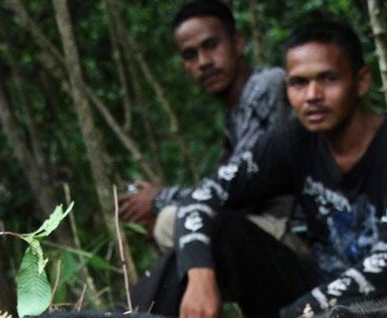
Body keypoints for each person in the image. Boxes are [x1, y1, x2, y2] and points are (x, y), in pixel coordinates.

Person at [132, 18, 387, 318]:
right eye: (298, 83)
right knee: (214, 234)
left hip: (377, 313)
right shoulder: (294, 140)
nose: (312, 96)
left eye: (328, 79)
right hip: (308, 291)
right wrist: (199, 275)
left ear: (360, 81)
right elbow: (203, 196)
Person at [118, 0, 292, 251]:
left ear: (238, 42)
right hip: (265, 235)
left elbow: (242, 184)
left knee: (173, 222)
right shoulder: (235, 116)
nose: (203, 62)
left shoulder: (266, 86)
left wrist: (160, 199)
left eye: (211, 46)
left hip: (296, 234)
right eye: (190, 55)